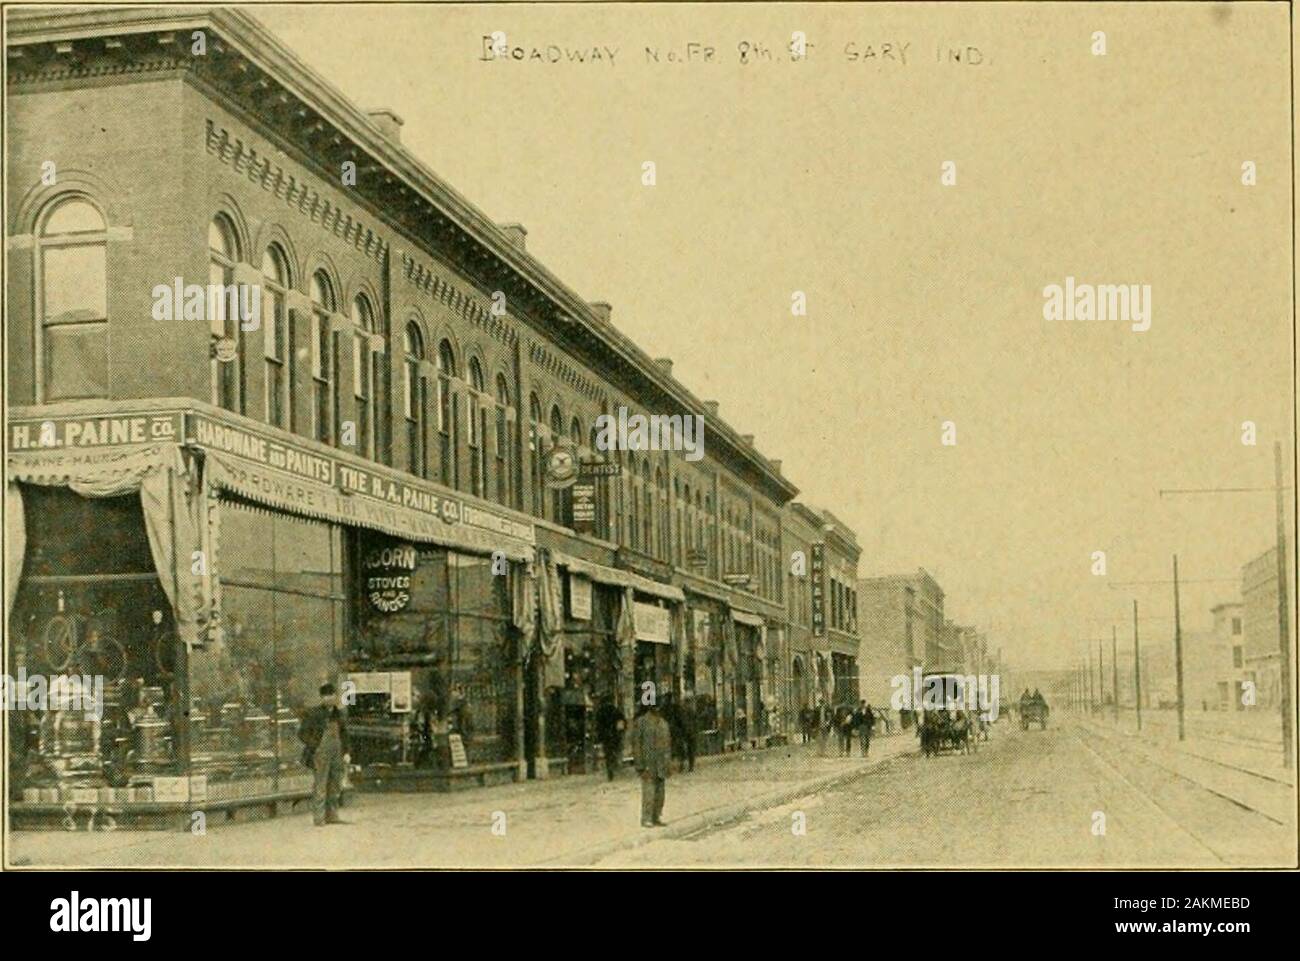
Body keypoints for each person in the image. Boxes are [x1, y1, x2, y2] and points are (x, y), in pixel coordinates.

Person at [299, 682, 349, 827]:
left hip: (337, 753)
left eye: (331, 695)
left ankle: (333, 815)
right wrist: (314, 746)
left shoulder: (339, 714)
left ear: (335, 696)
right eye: (326, 696)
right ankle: (319, 817)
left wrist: (346, 752)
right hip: (321, 753)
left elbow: (345, 734)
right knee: (320, 784)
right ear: (321, 698)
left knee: (335, 784)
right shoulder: (314, 714)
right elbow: (302, 733)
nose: (329, 698)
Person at [630, 702, 672, 827]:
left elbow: (668, 745)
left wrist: (668, 763)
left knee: (660, 793)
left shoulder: (664, 723)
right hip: (648, 763)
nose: (657, 709)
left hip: (661, 763)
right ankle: (646, 818)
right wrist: (640, 765)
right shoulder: (641, 722)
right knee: (649, 792)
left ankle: (656, 816)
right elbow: (637, 745)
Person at [594, 695, 626, 781]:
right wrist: (621, 731)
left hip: (605, 736)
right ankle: (614, 766)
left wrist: (599, 736)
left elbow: (598, 725)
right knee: (614, 751)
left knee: (608, 753)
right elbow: (622, 721)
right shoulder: (615, 710)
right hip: (614, 735)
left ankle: (610, 769)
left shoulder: (600, 711)